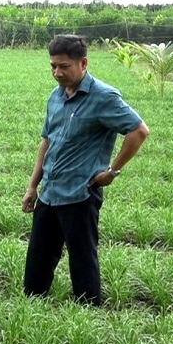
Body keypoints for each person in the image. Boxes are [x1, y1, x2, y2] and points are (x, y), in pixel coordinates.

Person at [22, 34, 149, 306]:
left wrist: (112, 172)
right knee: (37, 263)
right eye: (53, 66)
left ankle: (87, 317)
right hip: (50, 193)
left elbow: (138, 131)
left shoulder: (103, 96)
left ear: (84, 63)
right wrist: (33, 186)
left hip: (81, 194)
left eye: (64, 66)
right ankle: (32, 310)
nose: (57, 72)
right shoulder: (55, 98)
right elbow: (47, 141)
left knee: (83, 262)